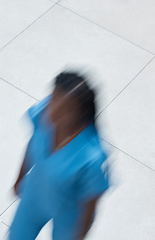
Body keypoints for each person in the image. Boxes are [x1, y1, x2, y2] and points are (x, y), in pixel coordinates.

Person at [10, 72, 109, 240]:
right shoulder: (44, 114)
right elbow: (33, 144)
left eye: (65, 109)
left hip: (68, 212)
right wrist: (20, 177)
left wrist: (79, 236)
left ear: (80, 114)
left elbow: (90, 204)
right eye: (54, 98)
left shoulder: (92, 157)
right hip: (34, 195)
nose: (54, 110)